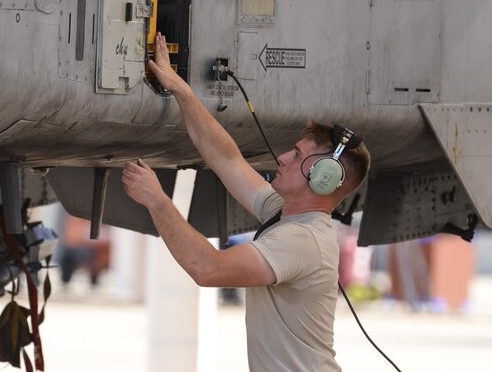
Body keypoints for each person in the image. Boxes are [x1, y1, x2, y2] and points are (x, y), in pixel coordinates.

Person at [121, 33, 371, 372]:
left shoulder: (300, 240)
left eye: (296, 155)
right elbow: (227, 160)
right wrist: (180, 89)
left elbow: (207, 269)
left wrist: (157, 201)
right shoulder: (285, 215)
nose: (281, 158)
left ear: (322, 178)